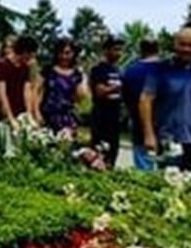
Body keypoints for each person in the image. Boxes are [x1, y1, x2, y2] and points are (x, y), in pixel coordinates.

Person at [140, 26, 191, 179]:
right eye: (182, 44)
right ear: (175, 44)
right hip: (171, 140)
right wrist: (149, 135)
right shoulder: (159, 70)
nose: (186, 49)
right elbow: (145, 100)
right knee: (171, 186)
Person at [0, 34, 40, 159]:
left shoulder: (25, 68)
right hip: (1, 113)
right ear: (24, 52)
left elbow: (26, 91)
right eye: (30, 55)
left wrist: (29, 114)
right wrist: (10, 118)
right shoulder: (3, 66)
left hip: (19, 110)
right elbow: (2, 94)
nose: (31, 58)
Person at [121, 37, 162, 171]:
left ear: (141, 50)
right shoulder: (166, 69)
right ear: (158, 49)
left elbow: (125, 99)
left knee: (144, 170)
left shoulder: (130, 71)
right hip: (165, 126)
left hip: (139, 126)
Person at [88, 36, 124, 166]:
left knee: (113, 151)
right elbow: (100, 92)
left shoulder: (118, 70)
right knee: (100, 151)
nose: (118, 53)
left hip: (115, 117)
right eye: (115, 49)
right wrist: (118, 86)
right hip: (101, 117)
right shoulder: (99, 69)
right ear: (106, 50)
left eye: (120, 50)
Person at [38, 36, 84, 136]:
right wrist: (37, 113)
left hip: (67, 119)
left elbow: (79, 98)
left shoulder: (77, 75)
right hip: (47, 117)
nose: (64, 56)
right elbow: (37, 93)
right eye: (61, 52)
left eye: (67, 53)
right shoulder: (48, 70)